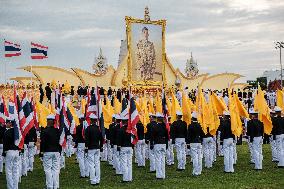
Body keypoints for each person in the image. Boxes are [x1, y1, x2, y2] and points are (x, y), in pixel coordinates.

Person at [40, 114, 61, 189]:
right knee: (55, 169)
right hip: (56, 151)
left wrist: (41, 152)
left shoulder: (44, 131)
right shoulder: (57, 131)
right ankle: (55, 186)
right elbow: (60, 141)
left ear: (48, 121)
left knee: (48, 169)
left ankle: (49, 186)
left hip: (47, 152)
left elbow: (43, 143)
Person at [85, 113, 103, 185]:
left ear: (90, 120)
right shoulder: (98, 129)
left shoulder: (88, 129)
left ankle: (93, 180)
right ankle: (98, 179)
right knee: (97, 164)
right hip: (97, 147)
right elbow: (101, 139)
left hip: (91, 148)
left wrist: (86, 147)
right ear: (95, 121)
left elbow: (87, 139)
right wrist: (101, 146)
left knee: (91, 165)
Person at [3, 117, 20, 189]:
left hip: (9, 152)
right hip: (16, 152)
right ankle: (15, 187)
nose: (6, 124)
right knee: (15, 170)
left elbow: (5, 144)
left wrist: (4, 152)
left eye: (7, 123)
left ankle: (10, 187)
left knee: (9, 171)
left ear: (10, 123)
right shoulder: (17, 132)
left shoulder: (7, 132)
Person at [150, 112, 168, 179]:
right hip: (163, 143)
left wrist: (151, 144)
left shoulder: (155, 126)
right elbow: (167, 136)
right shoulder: (164, 126)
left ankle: (159, 175)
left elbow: (152, 136)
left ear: (157, 119)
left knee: (158, 160)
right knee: (163, 160)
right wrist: (166, 144)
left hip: (157, 144)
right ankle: (163, 175)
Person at [117, 116, 133, 182]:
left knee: (124, 163)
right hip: (130, 147)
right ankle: (129, 177)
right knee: (129, 163)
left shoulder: (121, 130)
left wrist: (118, 146)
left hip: (123, 147)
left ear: (122, 122)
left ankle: (125, 178)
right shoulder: (131, 130)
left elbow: (119, 140)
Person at [187, 112, 203, 176]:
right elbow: (202, 134)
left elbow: (188, 135)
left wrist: (188, 144)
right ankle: (199, 171)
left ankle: (195, 171)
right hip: (198, 142)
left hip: (193, 142)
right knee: (199, 157)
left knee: (195, 157)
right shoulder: (199, 125)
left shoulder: (190, 126)